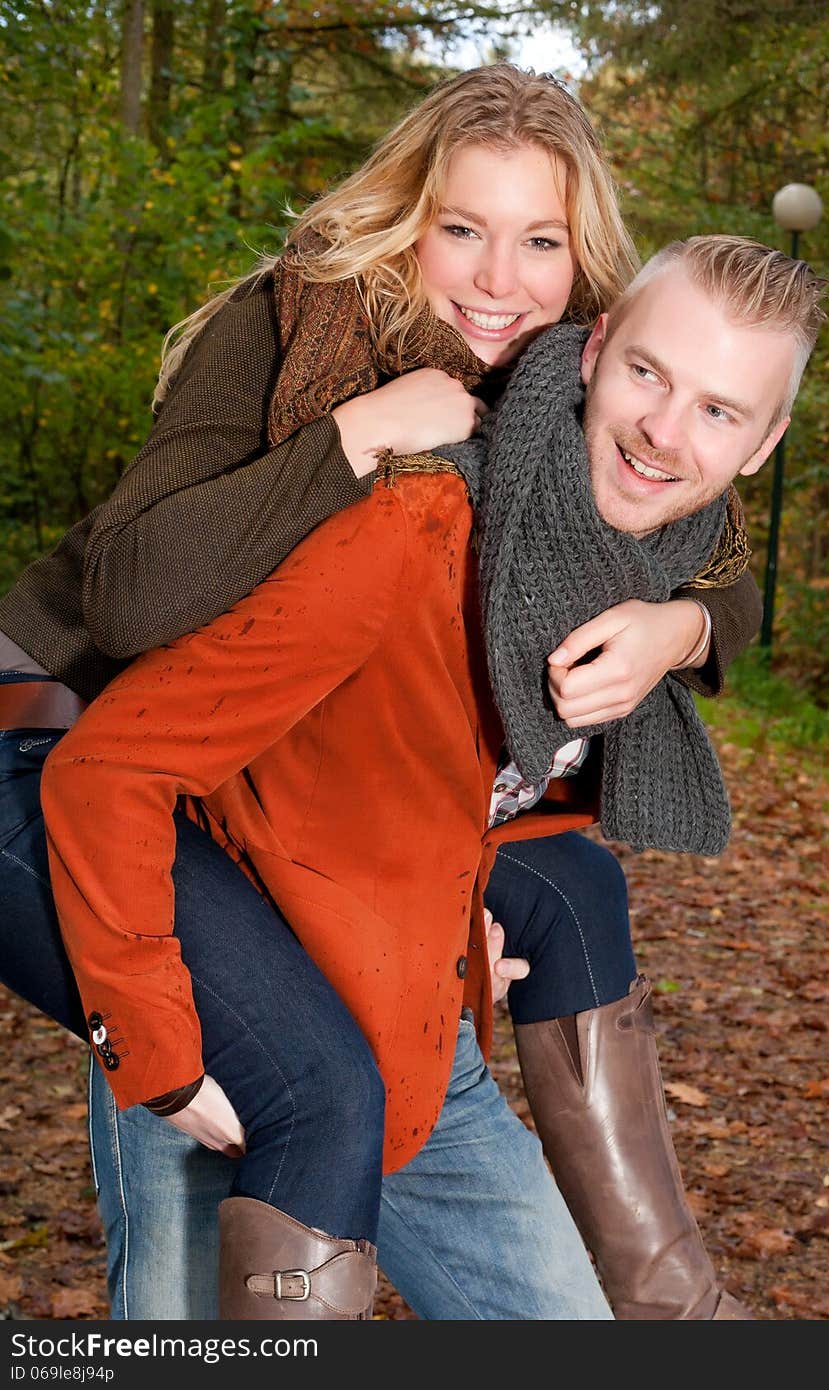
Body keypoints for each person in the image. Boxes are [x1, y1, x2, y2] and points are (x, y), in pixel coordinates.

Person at [0, 65, 762, 1320]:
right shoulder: (300, 324)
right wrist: (353, 435)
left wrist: (677, 630)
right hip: (77, 723)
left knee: (570, 888)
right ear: (409, 219)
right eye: (460, 229)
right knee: (258, 1112)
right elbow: (128, 597)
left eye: (539, 242)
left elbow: (713, 557)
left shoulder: (585, 379)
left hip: (277, 774)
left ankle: (664, 1294)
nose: (495, 280)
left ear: (586, 266)